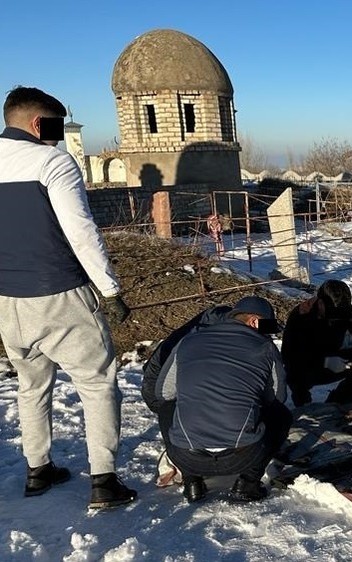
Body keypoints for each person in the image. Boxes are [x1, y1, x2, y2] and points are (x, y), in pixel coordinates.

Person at [0, 86, 135, 509]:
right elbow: (81, 231)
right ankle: (104, 482)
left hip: (7, 299)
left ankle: (38, 470)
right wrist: (110, 290)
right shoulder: (53, 161)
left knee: (31, 386)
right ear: (40, 124)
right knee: (96, 385)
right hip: (60, 294)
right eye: (54, 129)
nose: (58, 137)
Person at [154, 296, 292, 503]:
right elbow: (277, 397)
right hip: (242, 455)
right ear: (254, 321)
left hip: (187, 456)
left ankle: (192, 482)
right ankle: (248, 482)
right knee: (281, 415)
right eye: (267, 328)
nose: (269, 335)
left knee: (168, 408)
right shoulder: (265, 347)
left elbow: (163, 393)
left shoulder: (188, 341)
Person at [141, 302, 234, 486]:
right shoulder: (200, 340)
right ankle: (184, 460)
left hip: (165, 385)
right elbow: (165, 391)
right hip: (161, 391)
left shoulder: (212, 327)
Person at [282, 279, 352, 406]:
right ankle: (303, 404)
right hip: (305, 366)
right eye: (333, 313)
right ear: (321, 302)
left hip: (336, 360)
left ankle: (340, 398)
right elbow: (290, 356)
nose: (335, 317)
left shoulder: (346, 310)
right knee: (295, 372)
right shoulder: (302, 315)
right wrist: (326, 361)